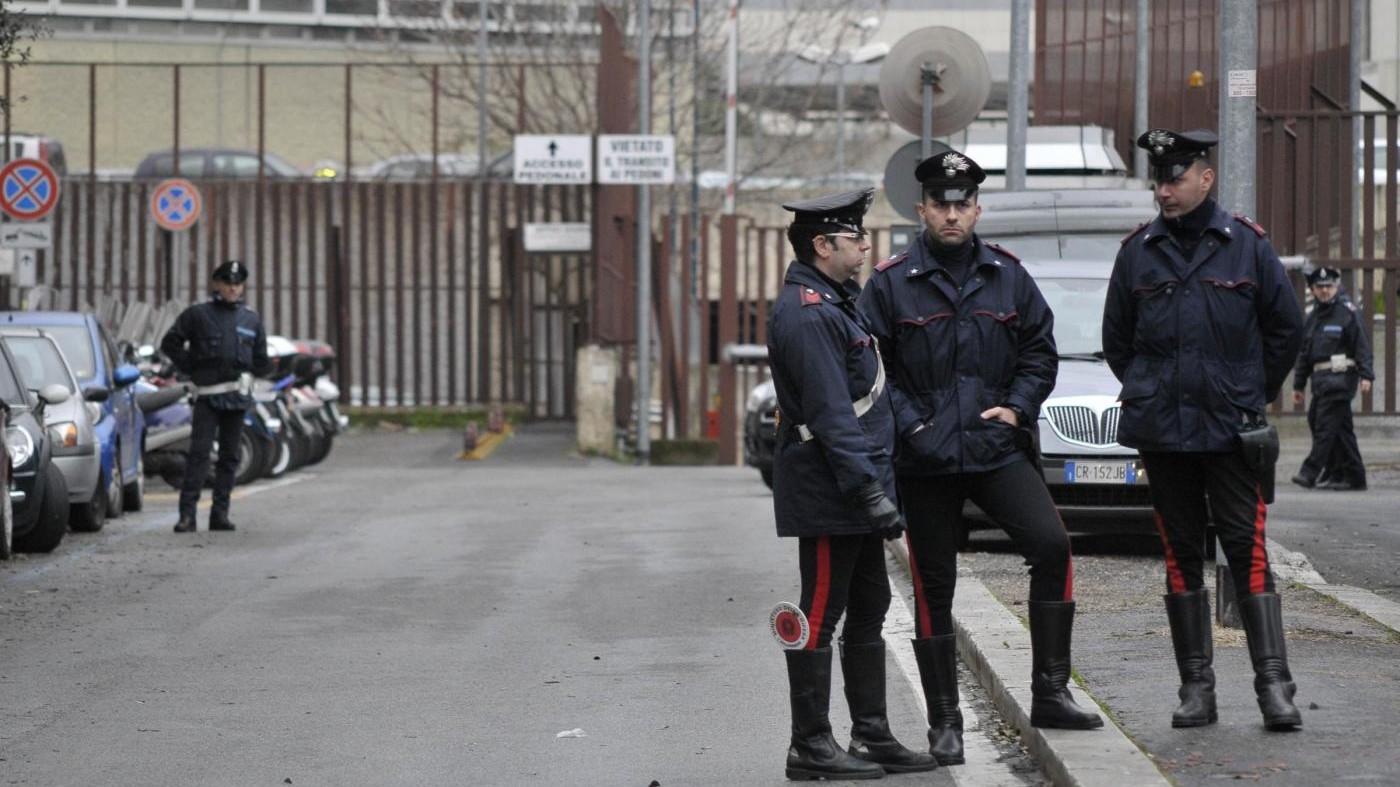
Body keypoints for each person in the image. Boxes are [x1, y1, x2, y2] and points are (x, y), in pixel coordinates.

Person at [858, 150, 1103, 767]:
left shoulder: (1008, 276)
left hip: (995, 449)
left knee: (1052, 546)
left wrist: (1018, 408)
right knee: (932, 584)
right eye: (940, 203)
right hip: (925, 458)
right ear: (922, 210)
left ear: (977, 209)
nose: (951, 213)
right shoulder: (889, 283)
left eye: (962, 203)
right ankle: (946, 722)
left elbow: (1040, 353)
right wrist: (912, 423)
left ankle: (1049, 691)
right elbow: (871, 368)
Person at [1102, 128, 1304, 731]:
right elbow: (1118, 341)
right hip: (1165, 433)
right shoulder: (1138, 251)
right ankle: (1197, 688)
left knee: (1248, 552)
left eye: (1176, 177)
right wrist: (1154, 389)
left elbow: (1284, 330)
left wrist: (1248, 394)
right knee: (1180, 554)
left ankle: (1274, 686)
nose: (1164, 189)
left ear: (1205, 178)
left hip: (1231, 431)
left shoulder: (1246, 246)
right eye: (1159, 179)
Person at [767, 188, 938, 780]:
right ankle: (809, 745)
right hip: (829, 491)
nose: (866, 246)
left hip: (855, 484)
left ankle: (871, 735)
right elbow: (832, 414)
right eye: (855, 238)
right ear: (822, 246)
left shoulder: (838, 302)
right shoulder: (810, 313)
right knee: (821, 611)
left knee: (870, 605)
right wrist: (870, 491)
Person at [160, 260, 270, 534]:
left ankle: (220, 514)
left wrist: (255, 373)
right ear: (217, 284)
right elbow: (170, 343)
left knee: (230, 457)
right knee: (199, 455)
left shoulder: (251, 319)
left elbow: (261, 359)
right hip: (208, 397)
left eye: (238, 284)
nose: (233, 288)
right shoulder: (198, 315)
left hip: (236, 399)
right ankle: (187, 516)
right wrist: (191, 368)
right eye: (228, 283)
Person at [1291, 266, 1373, 491]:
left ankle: (1309, 472)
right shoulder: (1313, 317)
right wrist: (1298, 384)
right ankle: (1348, 474)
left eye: (1329, 286)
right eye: (1320, 287)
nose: (1325, 290)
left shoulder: (1348, 312)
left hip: (1341, 379)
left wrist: (1367, 374)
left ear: (1336, 287)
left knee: (1325, 427)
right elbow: (1305, 354)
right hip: (1320, 380)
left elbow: (1362, 344)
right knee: (1335, 427)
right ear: (1313, 289)